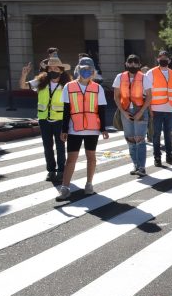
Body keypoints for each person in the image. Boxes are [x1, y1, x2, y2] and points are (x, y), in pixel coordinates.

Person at [56, 58, 110, 201]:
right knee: (71, 159)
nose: (87, 72)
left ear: (93, 72)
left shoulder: (98, 88)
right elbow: (66, 110)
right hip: (75, 128)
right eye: (84, 69)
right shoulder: (69, 86)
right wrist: (64, 129)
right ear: (78, 70)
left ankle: (89, 184)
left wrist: (103, 129)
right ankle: (65, 188)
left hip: (92, 129)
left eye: (90, 70)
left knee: (91, 157)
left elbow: (102, 110)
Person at [19, 57, 72, 182]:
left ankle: (61, 171)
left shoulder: (67, 85)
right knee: (47, 146)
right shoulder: (41, 81)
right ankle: (51, 171)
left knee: (60, 146)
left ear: (61, 70)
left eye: (55, 68)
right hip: (44, 119)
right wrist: (24, 75)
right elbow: (23, 86)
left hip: (60, 120)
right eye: (50, 68)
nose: (52, 70)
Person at [113, 55, 151, 177]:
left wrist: (141, 111)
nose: (133, 64)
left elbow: (149, 97)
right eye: (130, 62)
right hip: (125, 111)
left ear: (139, 65)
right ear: (126, 63)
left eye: (136, 62)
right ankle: (135, 165)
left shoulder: (144, 78)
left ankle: (142, 167)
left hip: (140, 109)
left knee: (139, 139)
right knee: (130, 139)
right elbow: (116, 96)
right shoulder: (120, 77)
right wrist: (123, 112)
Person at [145, 50, 172, 167]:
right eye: (161, 57)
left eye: (165, 58)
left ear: (169, 60)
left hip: (170, 108)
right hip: (156, 109)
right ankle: (157, 157)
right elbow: (147, 92)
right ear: (158, 59)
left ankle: (169, 156)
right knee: (156, 134)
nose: (163, 59)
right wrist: (149, 108)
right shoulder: (151, 73)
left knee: (168, 134)